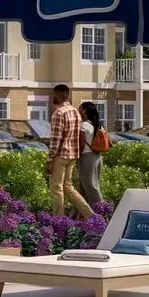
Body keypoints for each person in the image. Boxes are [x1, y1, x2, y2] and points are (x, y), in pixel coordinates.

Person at [47, 84, 93, 219]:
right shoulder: (75, 112)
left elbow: (56, 139)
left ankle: (59, 220)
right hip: (72, 155)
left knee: (57, 188)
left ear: (58, 95)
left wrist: (50, 159)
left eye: (54, 94)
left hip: (60, 155)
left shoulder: (59, 113)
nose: (53, 97)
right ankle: (90, 215)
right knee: (68, 187)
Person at [77, 100, 108, 209]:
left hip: (87, 157)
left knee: (91, 187)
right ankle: (79, 212)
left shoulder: (83, 125)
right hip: (98, 157)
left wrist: (77, 156)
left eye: (79, 108)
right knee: (84, 187)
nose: (78, 110)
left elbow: (81, 144)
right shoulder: (99, 125)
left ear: (84, 111)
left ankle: (102, 210)